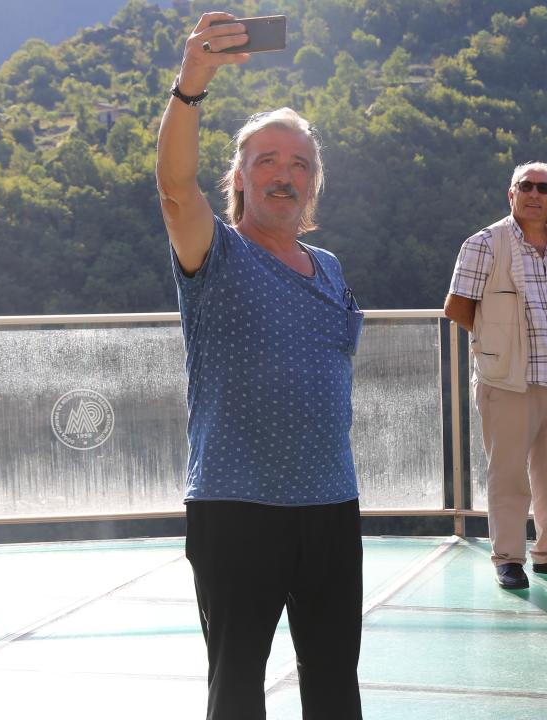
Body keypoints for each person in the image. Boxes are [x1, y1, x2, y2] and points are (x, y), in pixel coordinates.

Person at [156, 13, 363, 719]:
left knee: (334, 684)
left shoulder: (329, 267)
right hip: (237, 506)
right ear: (240, 178)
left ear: (314, 184)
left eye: (300, 164)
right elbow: (174, 188)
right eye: (268, 160)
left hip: (330, 503)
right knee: (238, 686)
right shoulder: (215, 252)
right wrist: (192, 84)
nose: (285, 173)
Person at [444, 162, 547, 590]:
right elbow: (457, 306)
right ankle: (508, 558)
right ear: (511, 194)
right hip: (507, 378)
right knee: (508, 475)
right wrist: (496, 344)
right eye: (525, 186)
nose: (534, 194)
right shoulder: (485, 242)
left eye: (543, 188)